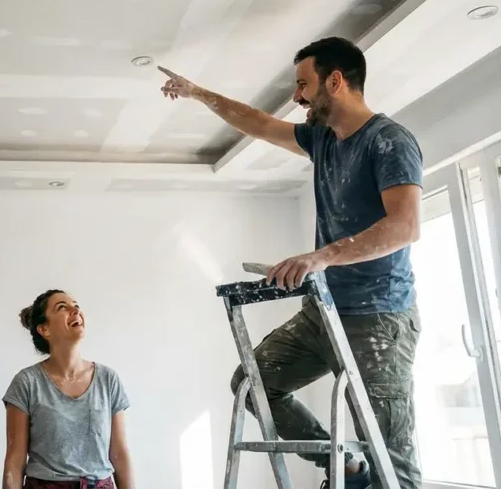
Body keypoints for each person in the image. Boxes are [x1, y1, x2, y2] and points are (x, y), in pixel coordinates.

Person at [159, 36, 423, 489]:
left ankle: (370, 471)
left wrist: (321, 256)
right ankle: (344, 468)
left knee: (390, 456)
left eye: (303, 84)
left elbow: (405, 226)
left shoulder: (388, 141)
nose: (296, 96)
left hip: (378, 319)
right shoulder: (322, 140)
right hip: (323, 314)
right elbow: (258, 124)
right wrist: (199, 93)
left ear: (335, 81)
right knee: (254, 385)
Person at [1, 289, 136, 489]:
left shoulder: (108, 379)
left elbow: (119, 454)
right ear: (44, 329)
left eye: (76, 306)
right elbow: (15, 458)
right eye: (62, 307)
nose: (75, 310)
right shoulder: (26, 382)